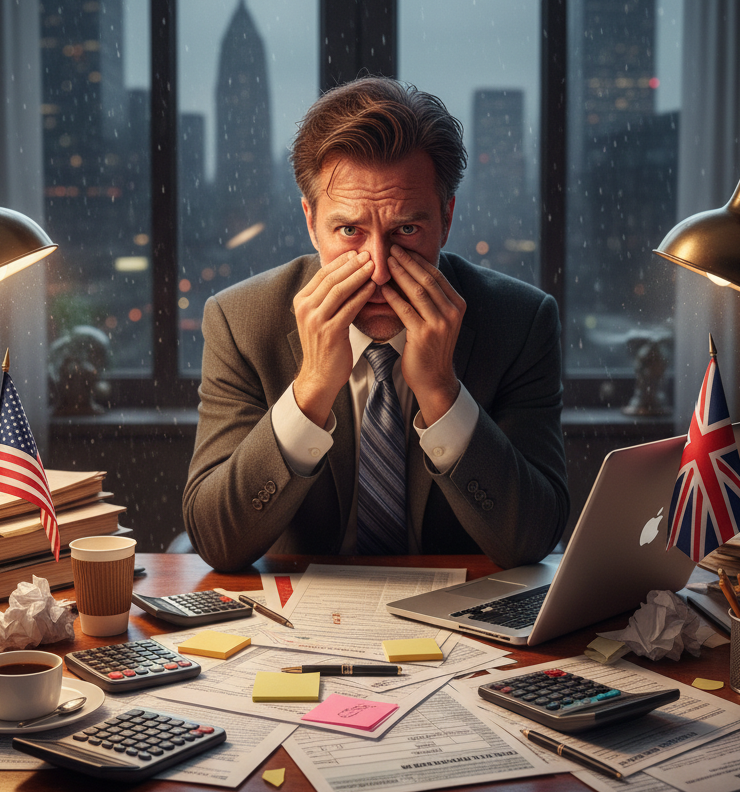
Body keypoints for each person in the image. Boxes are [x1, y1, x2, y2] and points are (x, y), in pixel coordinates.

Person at [183, 77, 569, 573]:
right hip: (297, 630)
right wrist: (310, 390)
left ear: (446, 219)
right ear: (310, 222)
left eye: (406, 229)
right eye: (349, 231)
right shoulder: (240, 321)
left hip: (462, 622)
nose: (380, 268)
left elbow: (532, 539)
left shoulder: (520, 322)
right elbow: (217, 542)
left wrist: (441, 392)